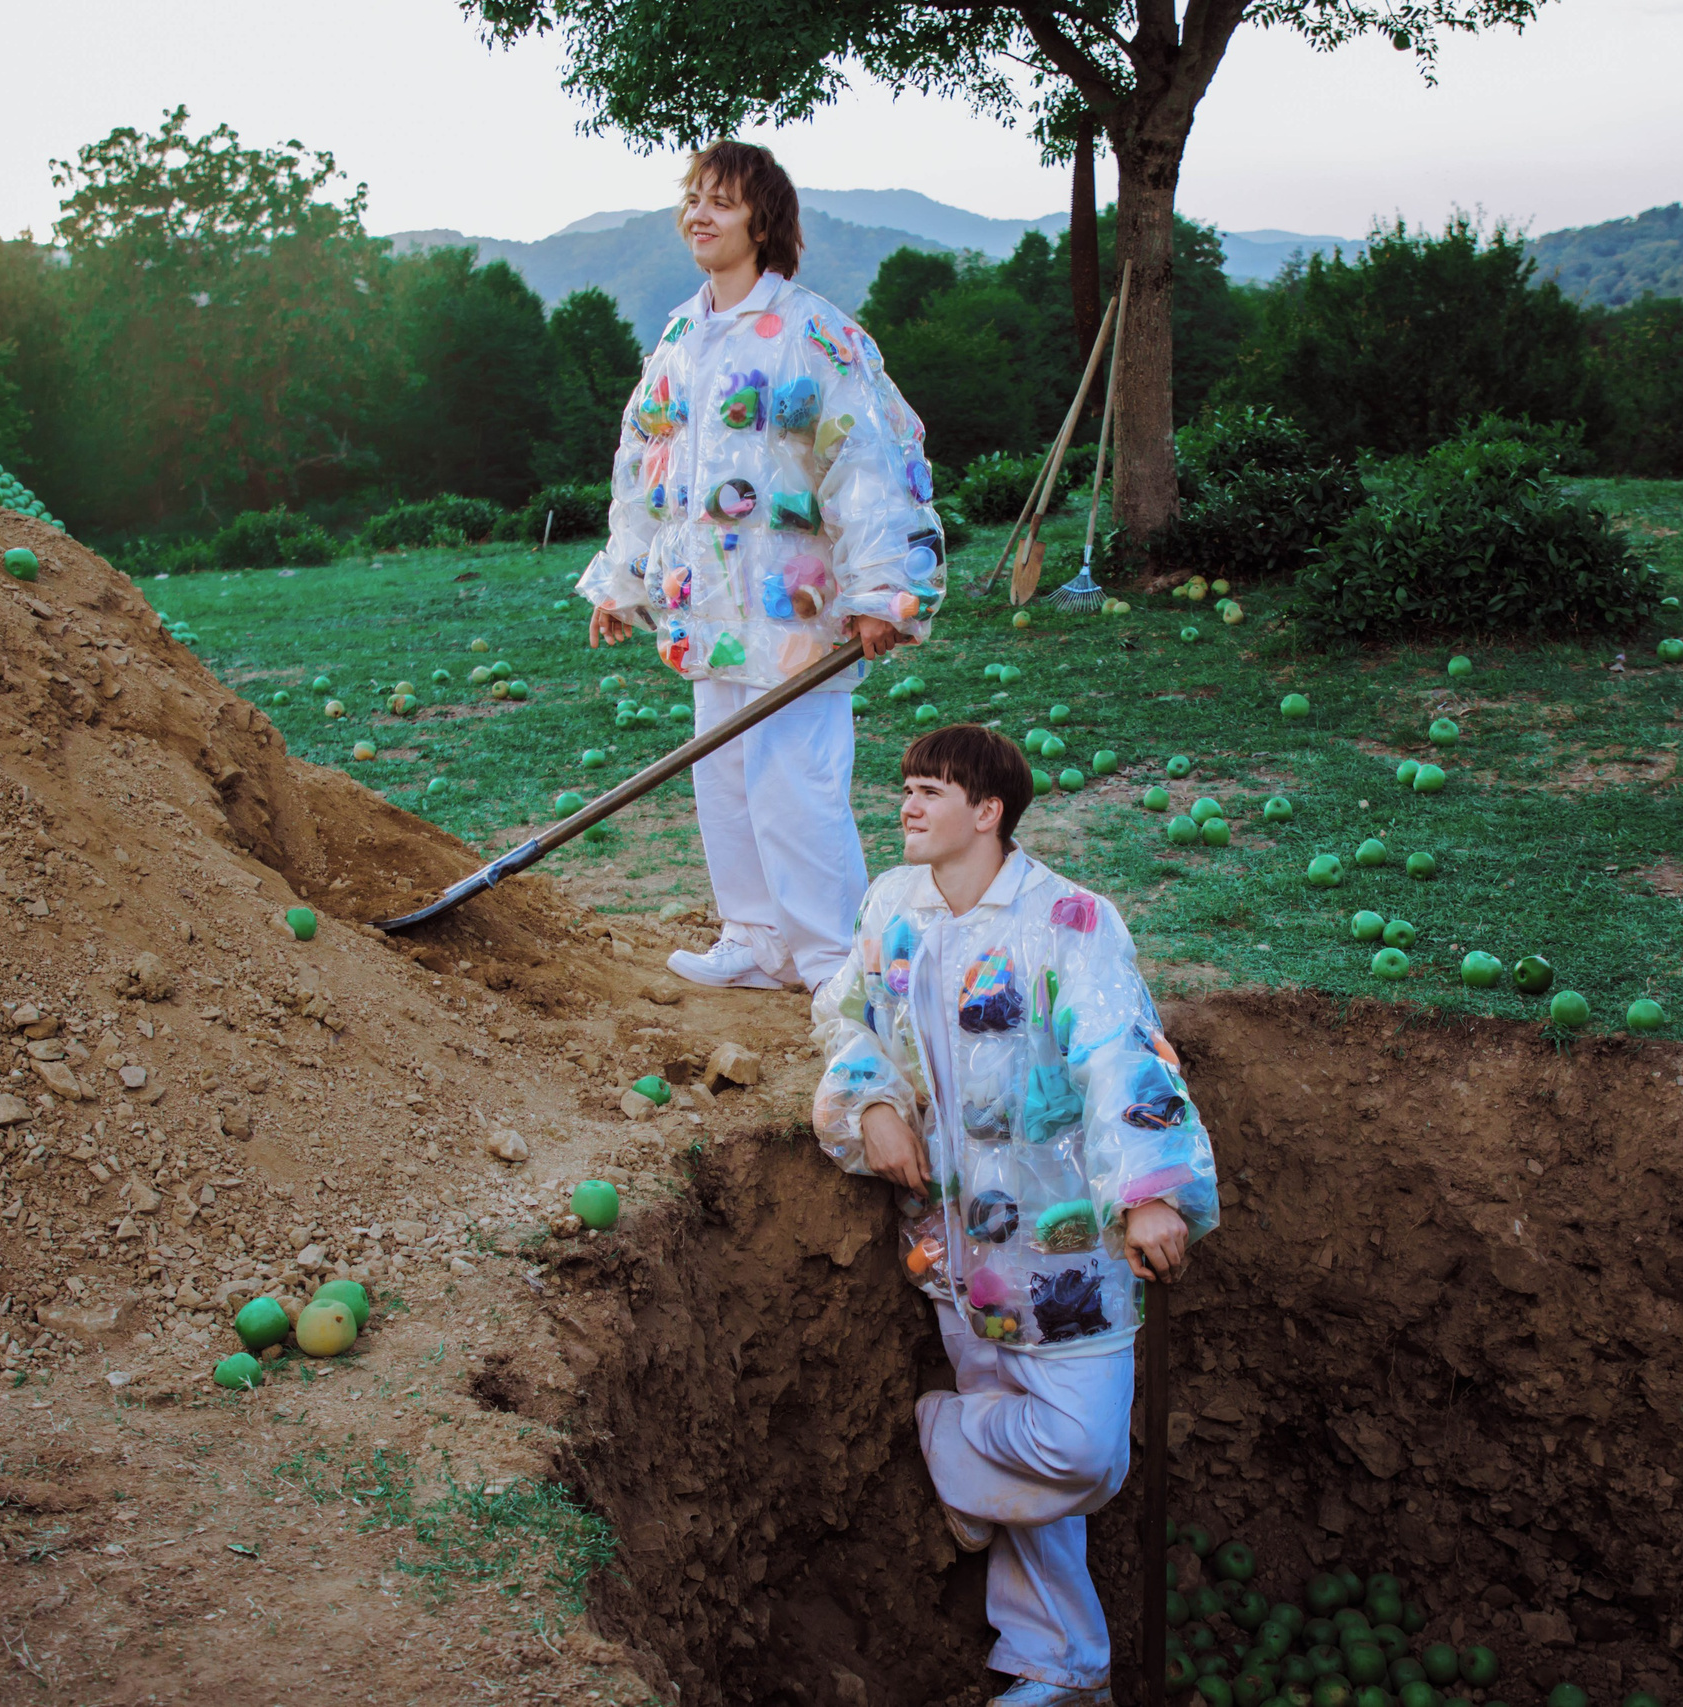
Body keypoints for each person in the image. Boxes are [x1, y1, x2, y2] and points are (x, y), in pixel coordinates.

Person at [808, 725, 1219, 1707]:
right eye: (904, 789)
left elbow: (1122, 1050)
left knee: (1080, 1452)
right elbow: (845, 1013)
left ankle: (944, 1438)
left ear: (986, 813)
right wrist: (868, 1100)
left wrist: (1150, 1191)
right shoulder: (890, 908)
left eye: (928, 792)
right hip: (955, 1249)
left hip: (1063, 1246)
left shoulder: (1069, 921)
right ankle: (1060, 1667)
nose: (905, 807)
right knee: (1037, 1483)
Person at [580, 139, 946, 993]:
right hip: (706, 606)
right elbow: (645, 467)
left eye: (723, 201)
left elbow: (871, 462)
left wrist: (882, 589)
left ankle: (829, 962)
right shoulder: (679, 337)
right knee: (727, 780)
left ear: (763, 220)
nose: (700, 215)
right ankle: (753, 937)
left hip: (796, 613)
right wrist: (624, 578)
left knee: (798, 790)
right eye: (694, 198)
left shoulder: (815, 335)